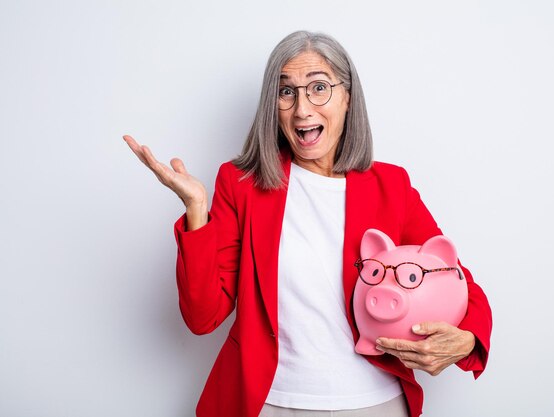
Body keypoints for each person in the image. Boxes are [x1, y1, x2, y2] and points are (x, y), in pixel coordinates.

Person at [124, 30, 492, 417]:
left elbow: (455, 277)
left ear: (347, 97)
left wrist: (468, 340)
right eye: (287, 92)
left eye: (319, 87)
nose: (302, 109)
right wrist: (196, 211)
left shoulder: (391, 186)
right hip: (268, 403)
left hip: (375, 403)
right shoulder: (241, 184)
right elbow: (203, 317)